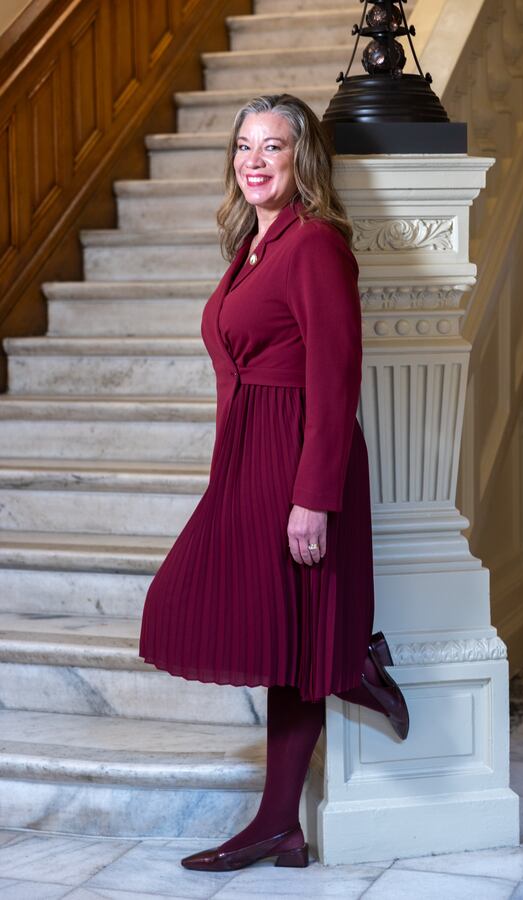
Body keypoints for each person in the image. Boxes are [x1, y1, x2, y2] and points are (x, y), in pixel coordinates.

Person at [138, 93, 409, 873]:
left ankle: (283, 802)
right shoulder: (253, 244)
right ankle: (288, 805)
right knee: (242, 621)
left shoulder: (316, 245)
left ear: (302, 160)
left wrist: (314, 496)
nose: (254, 161)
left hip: (296, 462)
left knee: (287, 636)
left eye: (274, 147)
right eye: (244, 147)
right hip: (247, 458)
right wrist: (230, 464)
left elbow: (336, 378)